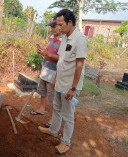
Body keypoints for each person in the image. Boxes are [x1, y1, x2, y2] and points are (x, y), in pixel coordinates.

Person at [38, 9, 88, 154]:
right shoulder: (65, 38)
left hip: (69, 85)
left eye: (61, 24)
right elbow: (61, 62)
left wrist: (73, 88)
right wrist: (54, 79)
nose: (58, 28)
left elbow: (79, 65)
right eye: (58, 25)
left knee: (68, 114)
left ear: (70, 22)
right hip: (60, 81)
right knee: (57, 107)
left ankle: (66, 142)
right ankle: (53, 130)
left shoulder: (80, 39)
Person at [30, 16, 63, 126]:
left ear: (60, 26)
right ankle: (41, 109)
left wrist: (47, 54)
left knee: (53, 97)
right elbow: (49, 49)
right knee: (43, 92)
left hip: (54, 73)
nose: (52, 29)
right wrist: (42, 51)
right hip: (45, 70)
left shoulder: (65, 41)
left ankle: (54, 119)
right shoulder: (52, 37)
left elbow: (63, 59)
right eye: (51, 27)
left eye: (54, 26)